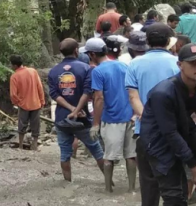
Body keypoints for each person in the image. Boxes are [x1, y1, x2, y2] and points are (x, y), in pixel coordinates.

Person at [138, 44, 196, 206]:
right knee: (172, 197)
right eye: (194, 63)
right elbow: (168, 132)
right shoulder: (163, 92)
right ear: (180, 65)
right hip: (157, 142)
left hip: (185, 134)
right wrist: (192, 163)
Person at [126, 23, 181, 205]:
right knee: (174, 184)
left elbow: (133, 98)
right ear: (168, 41)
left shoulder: (134, 64)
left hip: (146, 132)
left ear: (147, 42)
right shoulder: (179, 63)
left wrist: (150, 118)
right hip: (175, 132)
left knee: (149, 183)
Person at [49, 38, 106, 182]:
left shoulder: (53, 71)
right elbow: (87, 92)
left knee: (64, 154)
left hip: (62, 119)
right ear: (76, 50)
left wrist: (70, 109)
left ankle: (67, 184)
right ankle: (109, 183)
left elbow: (54, 94)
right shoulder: (86, 68)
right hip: (82, 118)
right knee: (97, 152)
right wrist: (77, 110)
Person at [91, 36, 138, 192]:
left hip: (111, 119)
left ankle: (108, 191)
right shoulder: (124, 66)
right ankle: (131, 190)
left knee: (109, 158)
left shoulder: (97, 71)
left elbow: (98, 98)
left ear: (92, 54)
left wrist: (95, 124)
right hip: (130, 117)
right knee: (131, 156)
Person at [9, 55, 46, 151]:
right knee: (35, 125)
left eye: (11, 65)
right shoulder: (33, 71)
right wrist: (42, 101)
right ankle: (34, 145)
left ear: (15, 65)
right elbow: (40, 87)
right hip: (36, 103)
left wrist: (16, 102)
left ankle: (20, 145)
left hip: (23, 105)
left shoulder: (14, 76)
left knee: (22, 125)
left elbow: (13, 94)